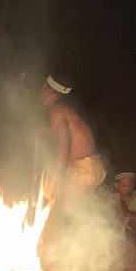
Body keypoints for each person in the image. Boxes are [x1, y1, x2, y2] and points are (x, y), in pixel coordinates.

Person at [40, 73, 106, 207]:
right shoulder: (68, 111)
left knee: (61, 211)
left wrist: (57, 175)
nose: (41, 95)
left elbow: (64, 142)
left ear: (53, 94)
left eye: (43, 90)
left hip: (83, 169)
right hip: (93, 167)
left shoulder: (57, 111)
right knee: (54, 199)